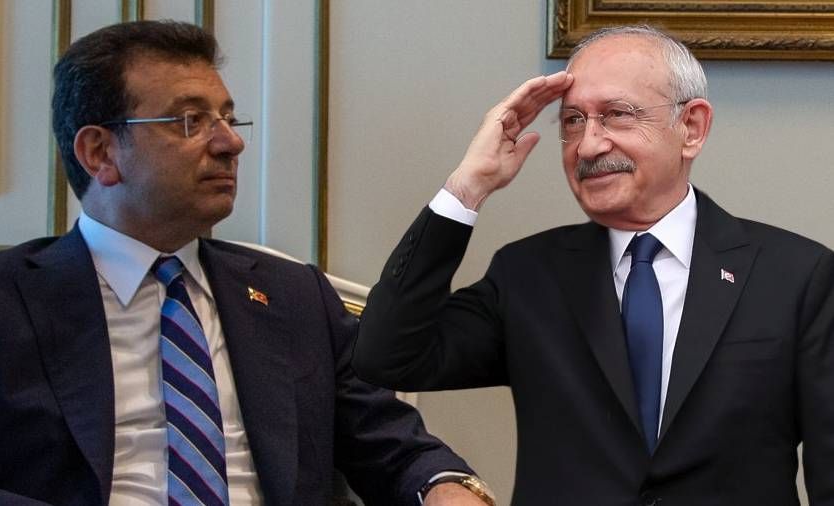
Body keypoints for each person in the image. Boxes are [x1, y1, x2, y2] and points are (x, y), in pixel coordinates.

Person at [0, 20, 494, 506]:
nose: (230, 143)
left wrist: (445, 488)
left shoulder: (293, 295)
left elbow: (394, 447)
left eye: (228, 118)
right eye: (190, 121)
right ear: (99, 153)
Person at [353, 25, 834, 505]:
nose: (588, 146)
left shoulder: (796, 277)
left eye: (617, 115)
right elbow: (386, 357)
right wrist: (468, 187)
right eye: (573, 121)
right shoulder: (528, 275)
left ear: (691, 128)